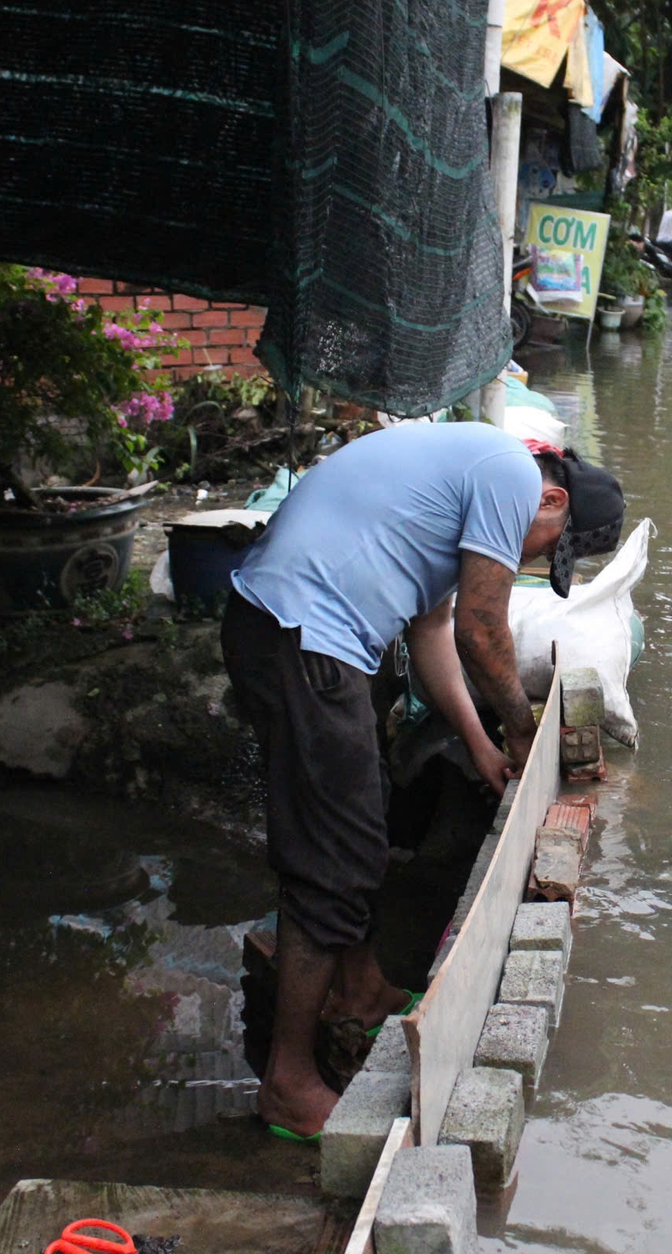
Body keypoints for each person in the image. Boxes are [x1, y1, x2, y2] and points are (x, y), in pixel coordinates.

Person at [221, 424, 625, 1140]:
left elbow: (434, 630)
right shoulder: (508, 474)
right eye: (548, 549)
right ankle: (289, 1081)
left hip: (297, 633)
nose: (532, 562)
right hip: (305, 636)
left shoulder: (466, 479)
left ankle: (361, 984)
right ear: (552, 497)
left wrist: (480, 745)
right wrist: (522, 728)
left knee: (358, 816)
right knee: (332, 863)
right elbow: (481, 629)